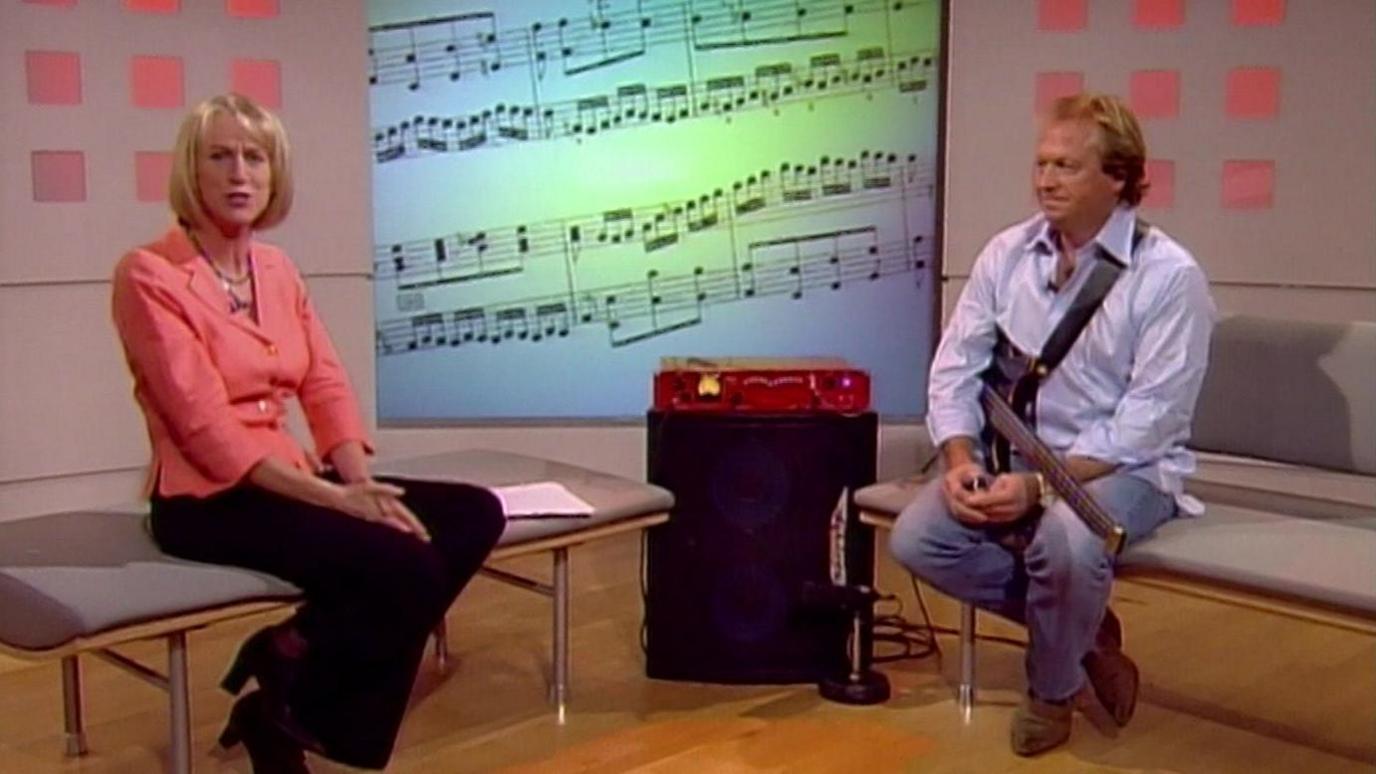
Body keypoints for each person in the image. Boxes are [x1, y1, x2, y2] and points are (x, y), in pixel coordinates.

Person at [111, 93, 506, 772]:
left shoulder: (277, 269)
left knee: (473, 514)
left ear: (273, 175)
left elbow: (324, 384)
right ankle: (289, 717)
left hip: (295, 480)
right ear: (192, 172)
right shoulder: (149, 275)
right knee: (402, 563)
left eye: (255, 158)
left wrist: (358, 480)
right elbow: (204, 430)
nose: (239, 174)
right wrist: (336, 502)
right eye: (220, 156)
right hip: (209, 501)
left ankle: (288, 662)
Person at [889, 93, 1215, 756]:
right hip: (1015, 459)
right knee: (919, 538)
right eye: (1041, 163)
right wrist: (959, 462)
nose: (1045, 180)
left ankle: (1052, 689)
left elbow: (1148, 424)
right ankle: (1084, 633)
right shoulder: (1006, 254)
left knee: (1066, 541)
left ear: (1118, 178)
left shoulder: (1169, 278)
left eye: (1066, 166)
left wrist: (1043, 489)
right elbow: (955, 370)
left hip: (1125, 470)